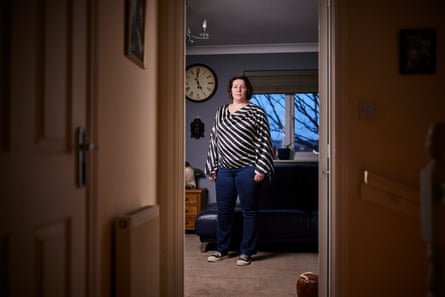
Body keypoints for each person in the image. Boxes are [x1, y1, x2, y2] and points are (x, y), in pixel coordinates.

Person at [204, 75, 274, 266]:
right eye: (235, 86)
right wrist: (212, 166)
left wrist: (261, 168)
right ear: (230, 90)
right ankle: (222, 249)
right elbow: (214, 140)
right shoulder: (220, 112)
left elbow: (264, 141)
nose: (238, 90)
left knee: (249, 211)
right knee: (224, 211)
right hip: (224, 170)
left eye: (242, 87)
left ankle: (247, 252)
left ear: (247, 90)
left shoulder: (257, 112)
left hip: (248, 169)